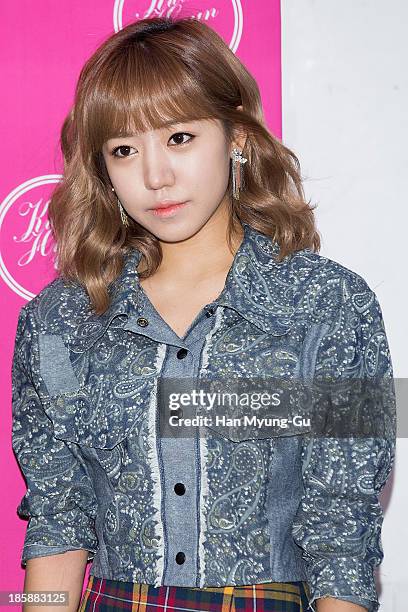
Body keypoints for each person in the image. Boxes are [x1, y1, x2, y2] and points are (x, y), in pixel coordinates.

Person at [11, 15, 396, 612]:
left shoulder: (329, 305)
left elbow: (342, 537)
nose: (155, 176)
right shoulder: (60, 323)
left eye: (180, 138)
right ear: (103, 169)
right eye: (124, 150)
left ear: (236, 136)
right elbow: (59, 521)